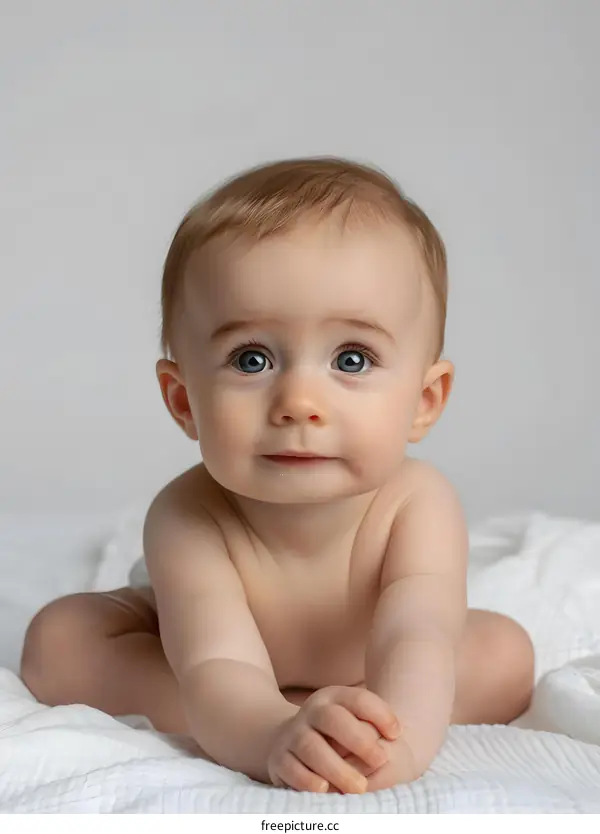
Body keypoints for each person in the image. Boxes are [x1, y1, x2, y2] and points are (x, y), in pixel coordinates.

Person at [20, 157, 534, 794]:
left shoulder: (417, 503)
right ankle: (288, 719)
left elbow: (416, 633)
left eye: (352, 358)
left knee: (505, 655)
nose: (298, 400)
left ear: (424, 401)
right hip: (195, 661)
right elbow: (215, 660)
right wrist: (267, 736)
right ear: (184, 401)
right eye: (252, 358)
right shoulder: (189, 515)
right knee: (59, 643)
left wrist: (400, 748)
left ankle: (353, 723)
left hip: (372, 663)